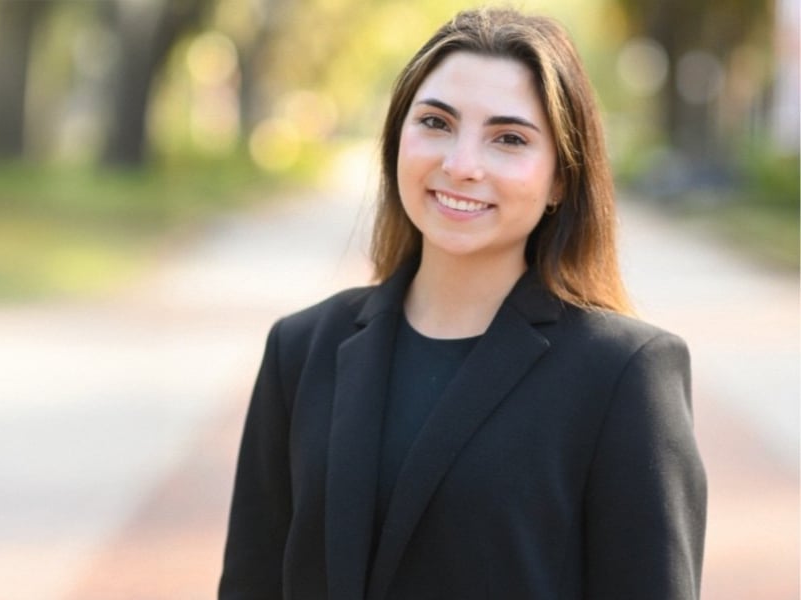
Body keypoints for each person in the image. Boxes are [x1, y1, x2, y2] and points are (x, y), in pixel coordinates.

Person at [219, 7, 706, 600]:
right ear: (397, 138)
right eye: (436, 122)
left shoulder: (625, 374)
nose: (461, 165)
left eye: (508, 138)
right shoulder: (300, 350)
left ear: (560, 179)